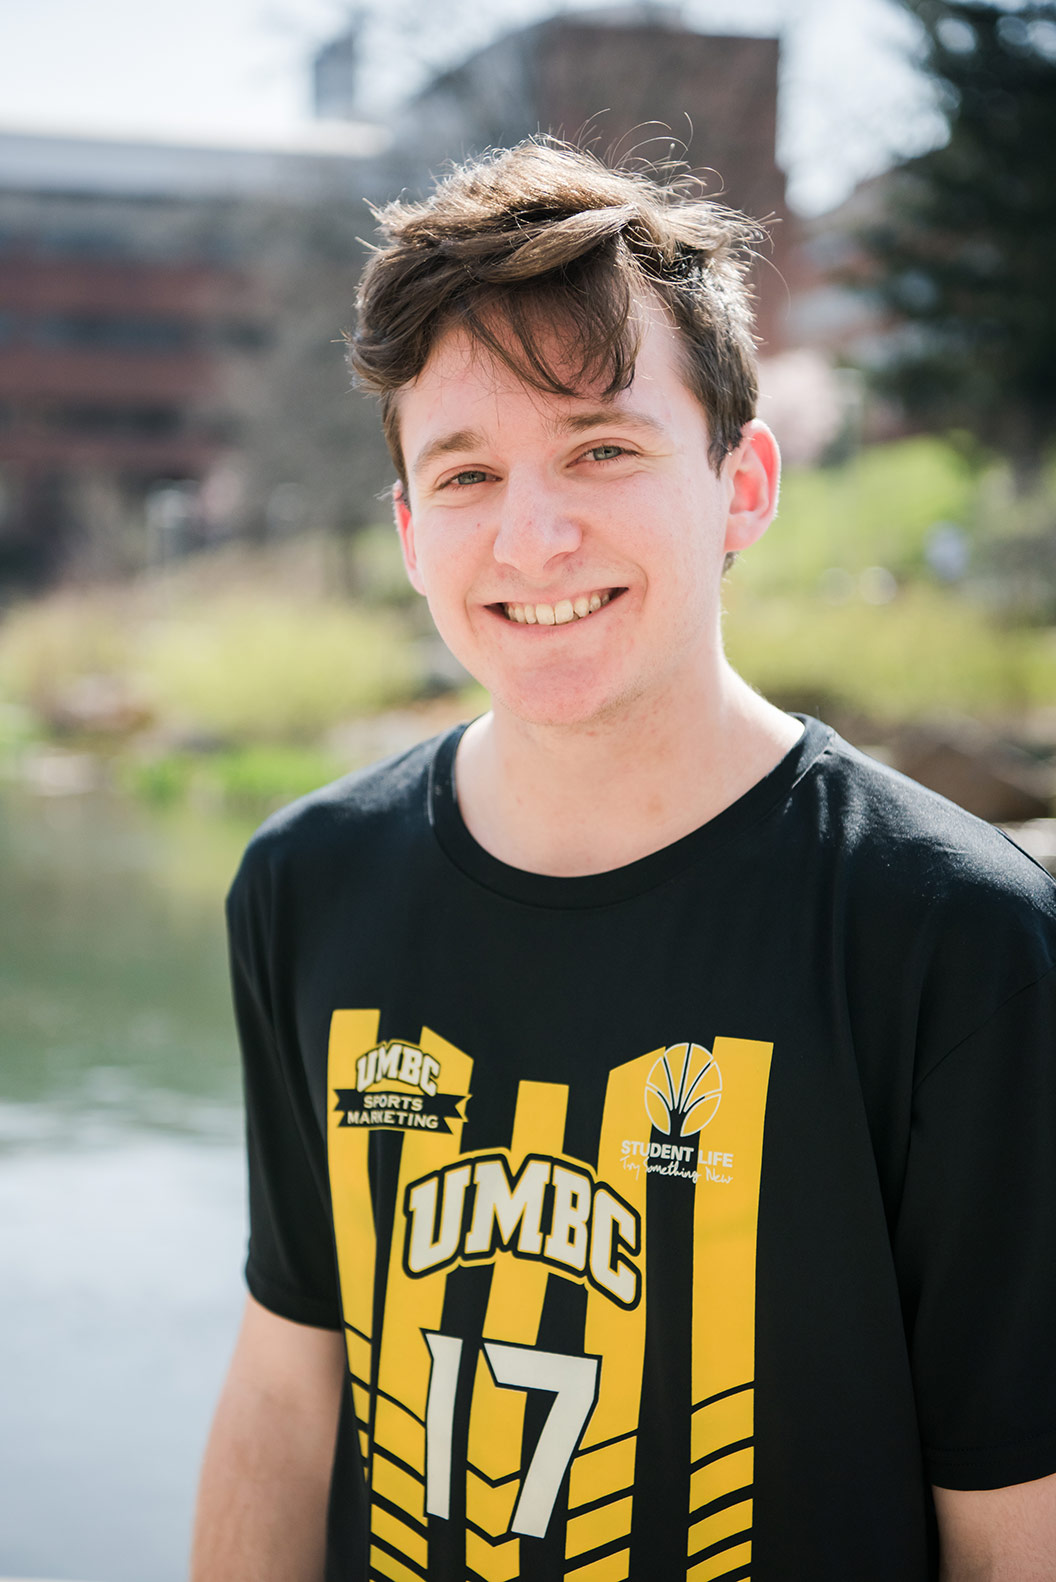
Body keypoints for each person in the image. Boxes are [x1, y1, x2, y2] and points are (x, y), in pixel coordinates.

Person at [191, 140, 1056, 1582]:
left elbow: (1014, 1517)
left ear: (744, 484)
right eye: (465, 472)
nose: (534, 536)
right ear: (410, 534)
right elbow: (292, 1379)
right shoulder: (303, 885)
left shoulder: (958, 939)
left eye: (602, 446)